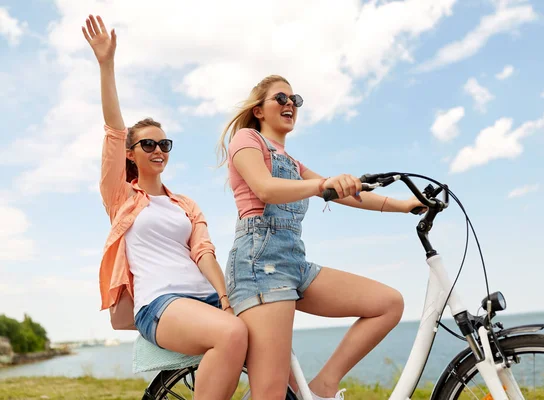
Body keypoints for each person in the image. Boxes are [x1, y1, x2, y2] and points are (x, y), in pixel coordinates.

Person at [217, 75, 427, 400]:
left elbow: (345, 195)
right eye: (281, 98)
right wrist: (322, 185)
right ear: (258, 110)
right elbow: (265, 188)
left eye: (295, 100)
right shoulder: (247, 139)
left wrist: (405, 206)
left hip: (293, 263)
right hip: (259, 265)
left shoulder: (293, 163)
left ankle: (323, 386)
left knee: (387, 304)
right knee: (271, 393)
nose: (290, 105)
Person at [85, 15, 247, 400]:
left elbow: (203, 252)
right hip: (160, 303)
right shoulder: (121, 197)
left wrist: (225, 298)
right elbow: (113, 129)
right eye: (148, 144)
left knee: (270, 336)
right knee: (232, 333)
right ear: (131, 153)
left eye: (164, 144)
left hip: (204, 296)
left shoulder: (185, 204)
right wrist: (107, 65)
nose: (158, 150)